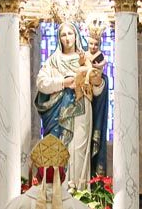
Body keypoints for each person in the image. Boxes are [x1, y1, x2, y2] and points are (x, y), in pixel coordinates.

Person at [35, 22, 108, 185]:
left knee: (79, 150)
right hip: (59, 113)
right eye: (63, 35)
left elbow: (96, 91)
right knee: (62, 149)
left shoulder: (86, 59)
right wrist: (64, 83)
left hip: (82, 109)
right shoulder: (53, 61)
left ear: (76, 36)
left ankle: (80, 190)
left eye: (70, 34)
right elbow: (41, 83)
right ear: (58, 38)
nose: (67, 38)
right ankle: (60, 191)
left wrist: (97, 82)